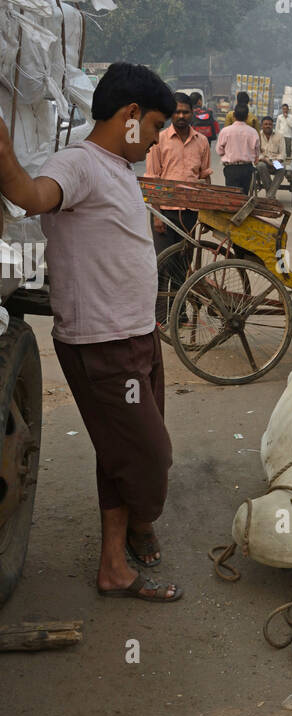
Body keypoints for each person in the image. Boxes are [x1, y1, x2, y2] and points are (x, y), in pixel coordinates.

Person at [0, 62, 182, 600]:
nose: (153, 141)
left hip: (137, 336)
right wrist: (5, 154)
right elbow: (33, 197)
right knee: (151, 460)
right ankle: (141, 523)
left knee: (116, 451)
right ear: (130, 115)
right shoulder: (77, 164)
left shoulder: (118, 166)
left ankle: (113, 567)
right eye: (152, 128)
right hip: (103, 346)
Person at [145, 90, 212, 307]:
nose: (181, 116)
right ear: (170, 114)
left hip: (190, 214)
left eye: (185, 112)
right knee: (163, 265)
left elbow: (204, 178)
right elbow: (152, 179)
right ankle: (160, 316)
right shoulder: (159, 140)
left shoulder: (202, 142)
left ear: (193, 112)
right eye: (176, 112)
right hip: (163, 213)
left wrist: (208, 212)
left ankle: (178, 313)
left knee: (183, 265)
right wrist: (156, 215)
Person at [216, 104, 259, 192]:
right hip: (247, 168)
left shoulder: (225, 131)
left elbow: (219, 151)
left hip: (231, 169)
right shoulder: (253, 132)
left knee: (232, 196)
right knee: (244, 196)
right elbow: (256, 152)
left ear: (234, 115)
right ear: (247, 117)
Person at [254, 115, 287, 198]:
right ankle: (271, 195)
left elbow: (282, 153)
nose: (268, 126)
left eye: (270, 124)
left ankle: (269, 195)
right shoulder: (257, 136)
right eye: (265, 124)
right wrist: (265, 160)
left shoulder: (279, 136)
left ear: (273, 125)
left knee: (281, 169)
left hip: (276, 161)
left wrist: (276, 162)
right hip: (263, 161)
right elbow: (255, 152)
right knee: (261, 166)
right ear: (262, 126)